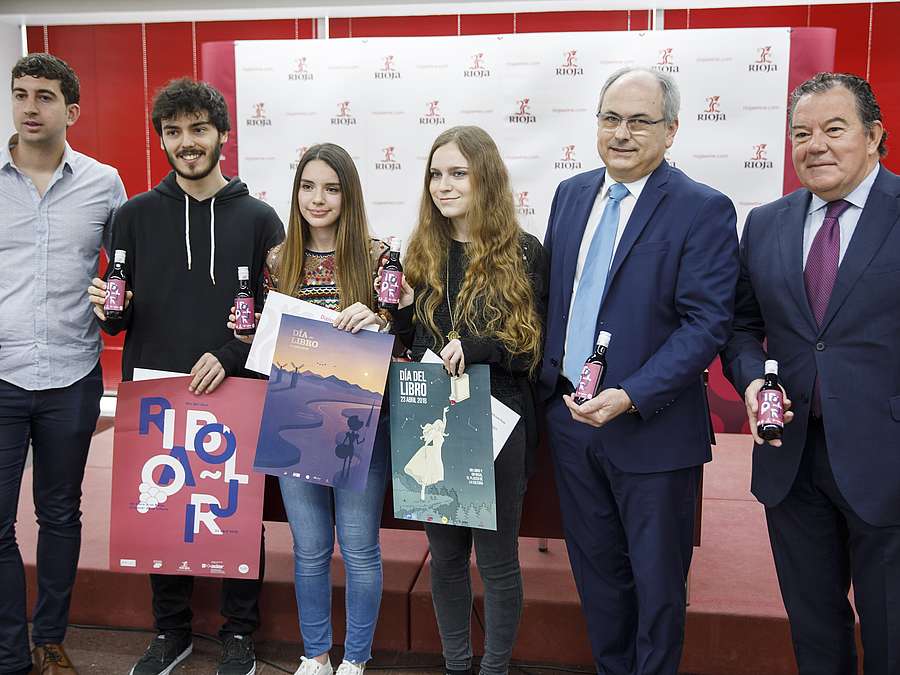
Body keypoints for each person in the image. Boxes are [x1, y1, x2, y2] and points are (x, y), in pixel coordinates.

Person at [539, 67, 739, 674]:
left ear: (672, 130)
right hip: (572, 422)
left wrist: (630, 394)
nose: (621, 134)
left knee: (656, 591)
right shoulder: (570, 196)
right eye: (610, 119)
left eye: (639, 121)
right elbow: (555, 300)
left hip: (651, 431)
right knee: (598, 582)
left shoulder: (703, 209)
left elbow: (705, 324)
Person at [86, 78, 283, 675]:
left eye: (199, 129)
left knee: (235, 514)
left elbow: (274, 313)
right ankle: (171, 632)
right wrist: (108, 309)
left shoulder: (261, 218)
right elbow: (121, 317)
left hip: (236, 389)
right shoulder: (133, 217)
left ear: (222, 135)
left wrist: (228, 354)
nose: (187, 143)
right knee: (162, 509)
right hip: (154, 389)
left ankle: (239, 637)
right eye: (174, 132)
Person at [721, 72, 899, 675]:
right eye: (801, 132)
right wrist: (749, 380)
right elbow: (742, 326)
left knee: (893, 635)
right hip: (790, 459)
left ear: (874, 135)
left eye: (833, 129)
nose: (814, 144)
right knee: (814, 631)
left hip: (888, 461)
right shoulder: (766, 223)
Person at [390, 125, 548, 675]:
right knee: (446, 559)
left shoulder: (523, 252)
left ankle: (495, 668)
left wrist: (476, 346)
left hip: (499, 419)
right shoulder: (421, 251)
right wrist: (404, 312)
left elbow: (533, 351)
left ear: (486, 178)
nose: (443, 185)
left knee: (499, 562)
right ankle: (457, 665)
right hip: (432, 417)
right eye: (436, 173)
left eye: (458, 173)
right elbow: (413, 342)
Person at [230, 143, 392, 675]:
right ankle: (316, 654)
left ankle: (357, 659)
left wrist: (381, 319)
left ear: (349, 194)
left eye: (331, 188)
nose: (317, 199)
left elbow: (405, 338)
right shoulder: (278, 261)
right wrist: (250, 335)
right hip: (294, 416)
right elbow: (261, 340)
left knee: (360, 546)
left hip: (360, 421)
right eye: (307, 186)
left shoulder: (379, 258)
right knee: (309, 547)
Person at [0, 53, 127, 675]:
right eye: (20, 94)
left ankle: (49, 639)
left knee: (58, 514)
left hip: (73, 374)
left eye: (44, 96)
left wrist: (114, 303)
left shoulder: (105, 184)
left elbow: (125, 276)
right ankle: (6, 652)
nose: (29, 106)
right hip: (0, 372)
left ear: (71, 110)